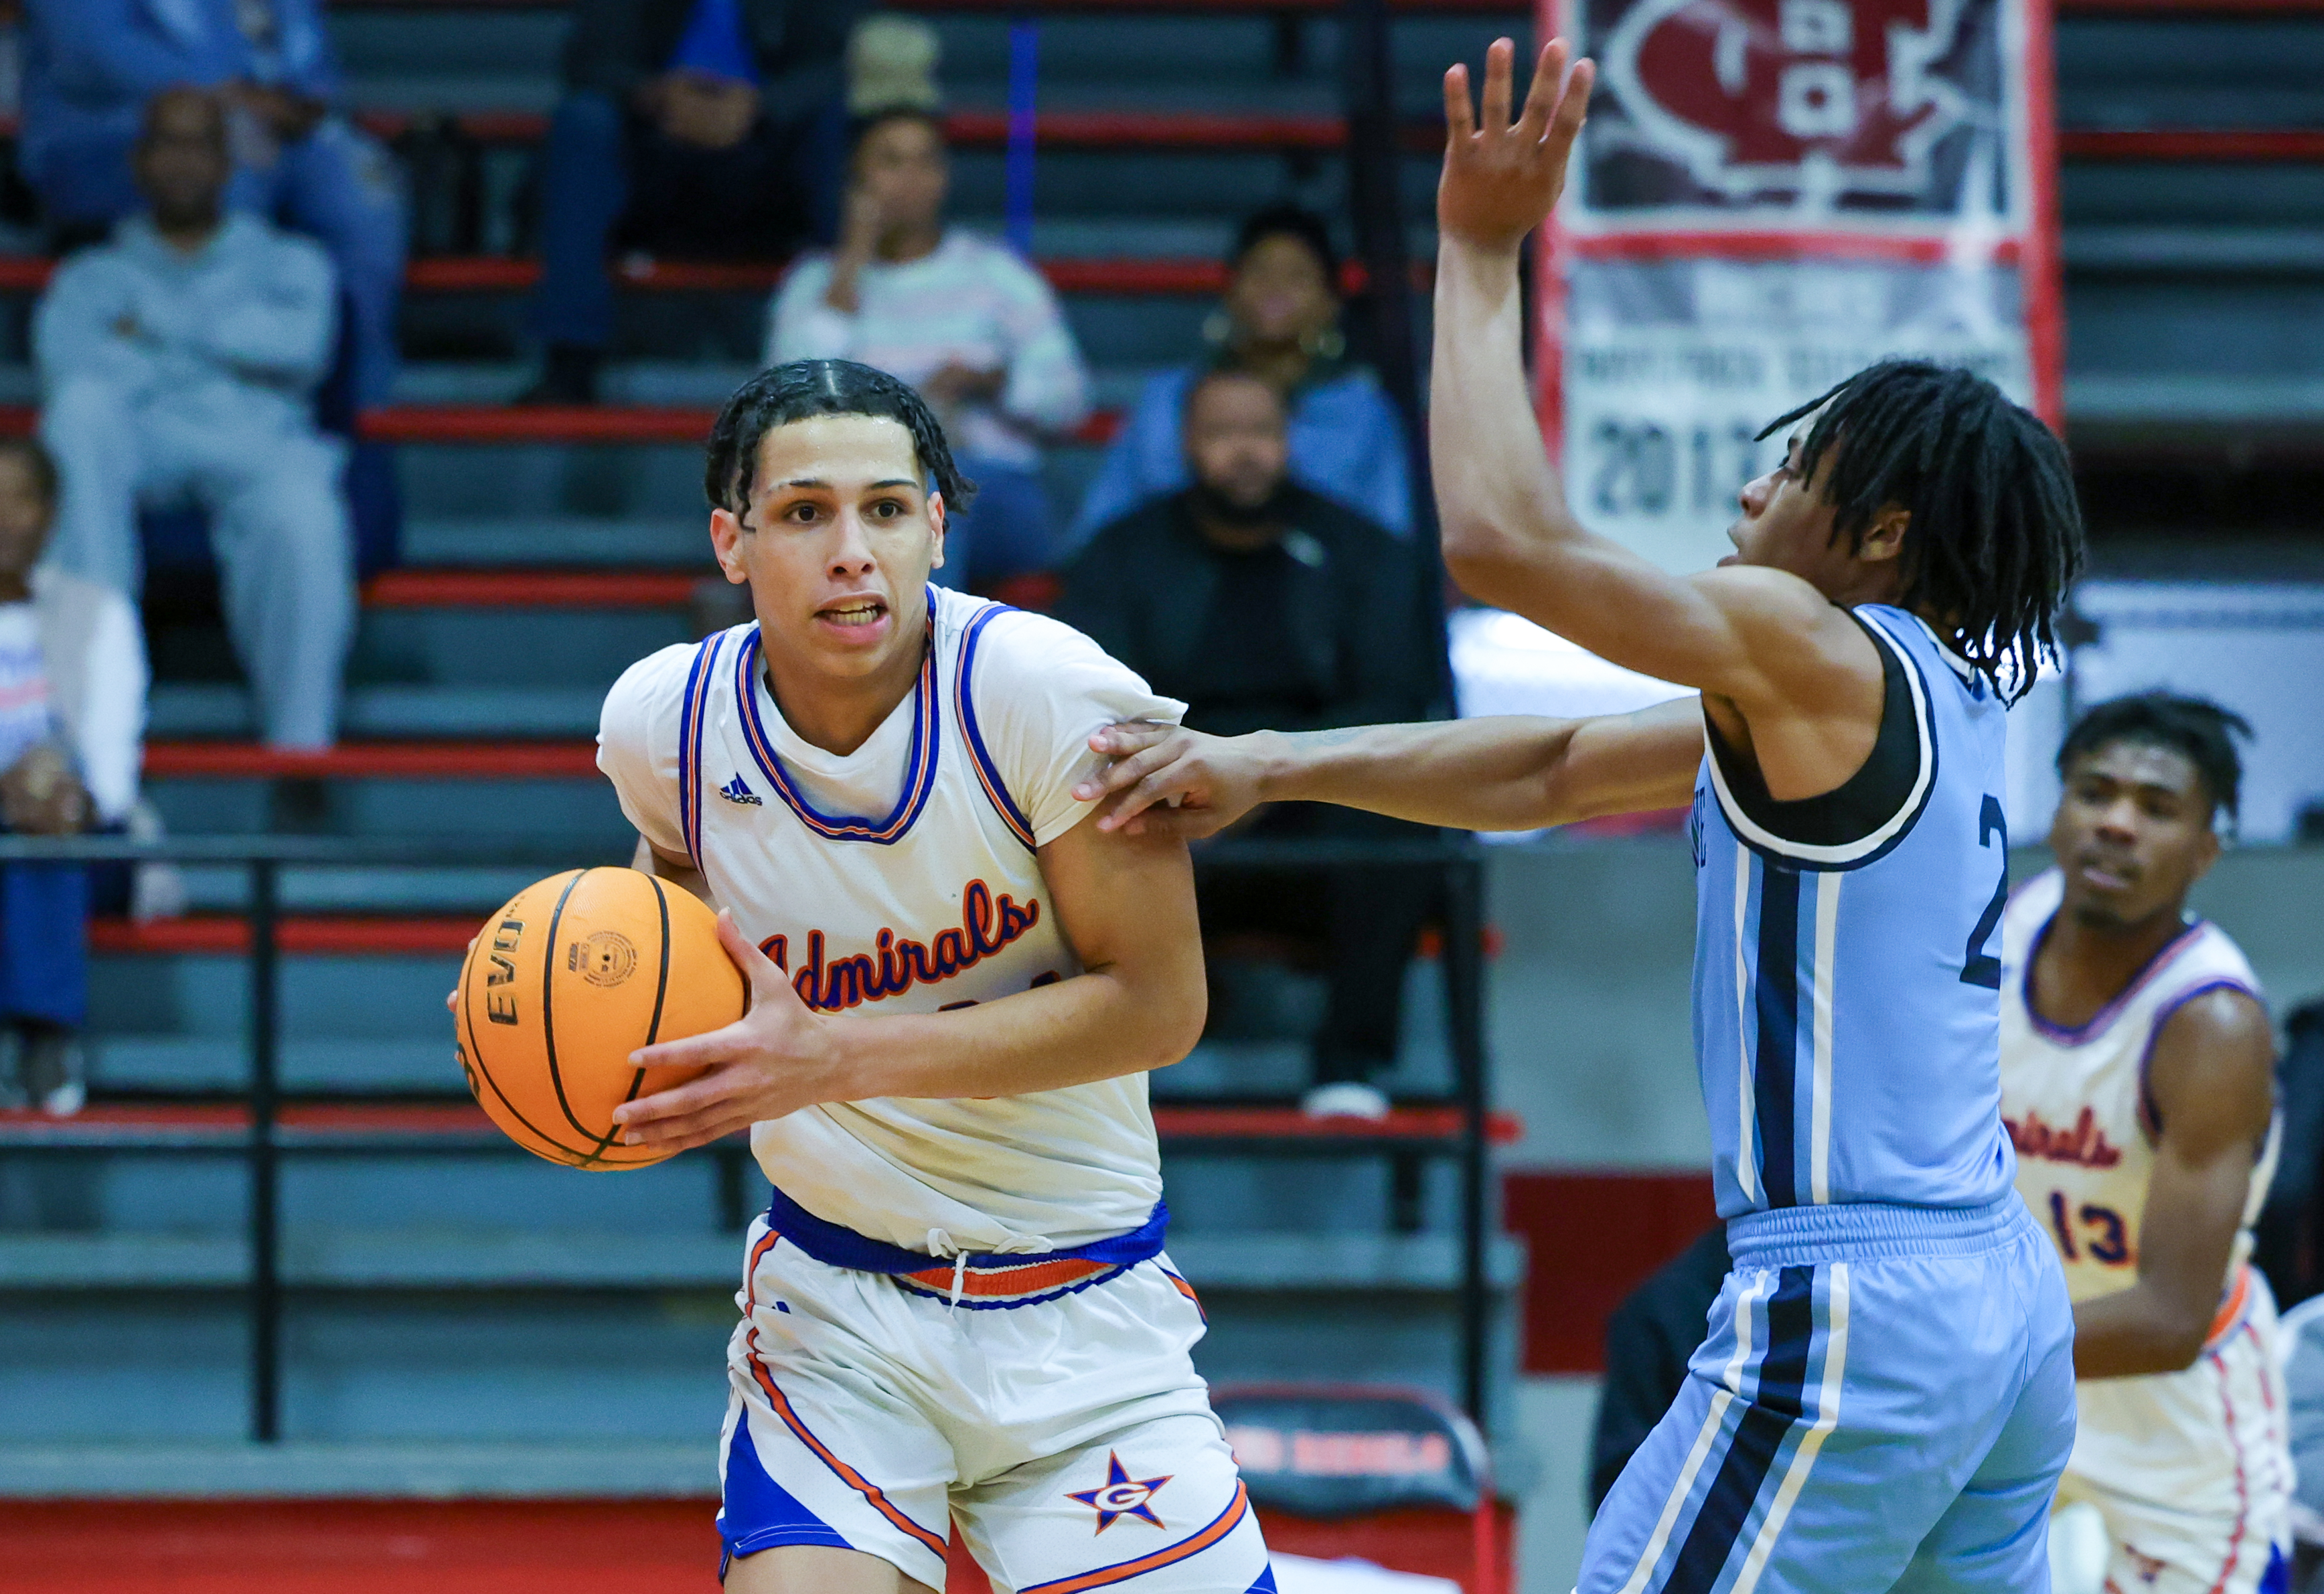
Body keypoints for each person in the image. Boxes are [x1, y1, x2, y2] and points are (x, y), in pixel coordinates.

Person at [1077, 37, 2090, 1592]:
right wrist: (1269, 763)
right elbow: (1551, 769)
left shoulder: (1814, 651)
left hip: (1859, 1304)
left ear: (1877, 535)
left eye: (1790, 470)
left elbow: (1496, 539)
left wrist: (1475, 250)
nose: (1747, 496)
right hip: (1993, 1301)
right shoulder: (1925, 694)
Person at [588, 359, 1271, 1592]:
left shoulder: (1045, 695)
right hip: (840, 1318)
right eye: (804, 513)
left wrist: (835, 1055)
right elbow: (671, 937)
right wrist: (566, 1019)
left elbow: (1161, 1006)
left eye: (888, 510)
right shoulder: (665, 726)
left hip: (1085, 1320)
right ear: (731, 542)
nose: (853, 552)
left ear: (938, 530)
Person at [1059, 369, 1440, 1119]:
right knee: (1072, 807)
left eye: (1262, 432)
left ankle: (1350, 1064)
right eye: (1223, 433)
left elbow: (1394, 698)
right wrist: (1192, 778)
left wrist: (1269, 772)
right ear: (1184, 443)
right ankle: (1100, 1059)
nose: (1246, 452)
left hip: (1314, 805)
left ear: (1289, 441)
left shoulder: (1361, 553)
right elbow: (1088, 701)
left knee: (1403, 816)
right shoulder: (1122, 555)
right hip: (1168, 816)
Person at [2001, 694, 2293, 1594]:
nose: (2116, 824)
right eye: (2094, 793)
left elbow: (2165, 1318)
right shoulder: (2008, 928)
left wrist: (1948, 1348)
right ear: (2055, 811)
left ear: (2204, 850)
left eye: (2156, 809)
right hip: (2016, 1373)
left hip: (2170, 1412)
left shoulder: (2209, 1026)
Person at [35, 88, 354, 756]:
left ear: (226, 161)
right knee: (78, 416)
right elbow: (69, 364)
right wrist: (229, 348)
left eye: (198, 144)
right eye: (166, 143)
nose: (182, 161)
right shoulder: (91, 275)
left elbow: (302, 351)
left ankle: (301, 755)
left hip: (254, 444)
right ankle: (91, 715)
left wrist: (147, 335)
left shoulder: (291, 263)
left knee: (304, 514)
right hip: (141, 439)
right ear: (139, 160)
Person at [20, 0, 406, 411]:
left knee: (362, 184)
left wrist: (302, 99)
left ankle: (362, 403)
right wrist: (234, 98)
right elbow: (94, 51)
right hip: (111, 129)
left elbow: (308, 62)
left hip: (257, 124)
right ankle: (226, 394)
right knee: (214, 157)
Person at [766, 108, 1089, 594]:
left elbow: (1069, 403)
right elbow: (783, 406)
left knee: (926, 496)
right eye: (890, 162)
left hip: (995, 489)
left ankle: (911, 663)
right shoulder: (816, 283)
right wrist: (852, 261)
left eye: (926, 162)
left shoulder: (996, 273)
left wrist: (990, 383)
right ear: (854, 180)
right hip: (854, 495)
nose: (910, 180)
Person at [525, 0, 864, 404]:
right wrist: (657, 96)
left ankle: (852, 353)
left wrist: (760, 107)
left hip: (766, 162)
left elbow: (839, 63)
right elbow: (589, 61)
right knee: (583, 123)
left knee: (833, 124)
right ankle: (570, 360)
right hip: (656, 156)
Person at [1072, 202, 1413, 548]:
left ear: (1330, 301)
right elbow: (1103, 527)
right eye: (1260, 272)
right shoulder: (1167, 399)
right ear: (1231, 290)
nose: (1276, 288)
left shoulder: (1363, 413)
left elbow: (1390, 539)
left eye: (1297, 275)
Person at [0, 437, 149, 1119]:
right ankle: (47, 1038)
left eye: (21, 499)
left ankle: (44, 1037)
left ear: (51, 513)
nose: (4, 517)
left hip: (89, 841)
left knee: (44, 837)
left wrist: (63, 796)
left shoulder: (101, 613)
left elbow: (113, 770)